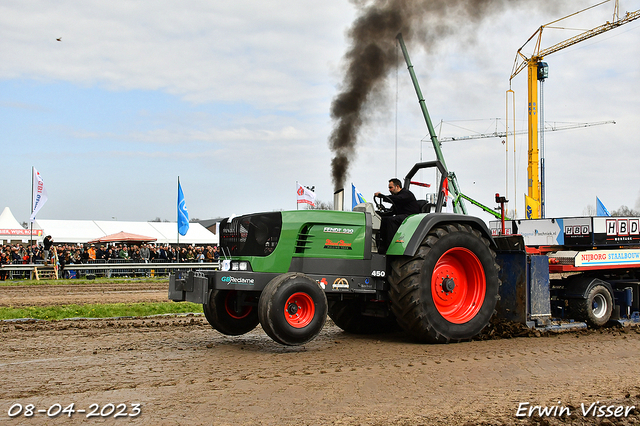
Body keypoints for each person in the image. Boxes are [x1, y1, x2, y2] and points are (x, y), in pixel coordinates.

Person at [374, 178, 421, 254]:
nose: (389, 190)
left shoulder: (405, 194)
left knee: (392, 220)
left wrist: (382, 196)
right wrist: (378, 214)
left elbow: (397, 199)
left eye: (391, 187)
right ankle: (381, 244)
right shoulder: (398, 198)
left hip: (411, 217)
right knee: (383, 219)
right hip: (403, 216)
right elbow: (392, 211)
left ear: (397, 187)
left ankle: (391, 245)